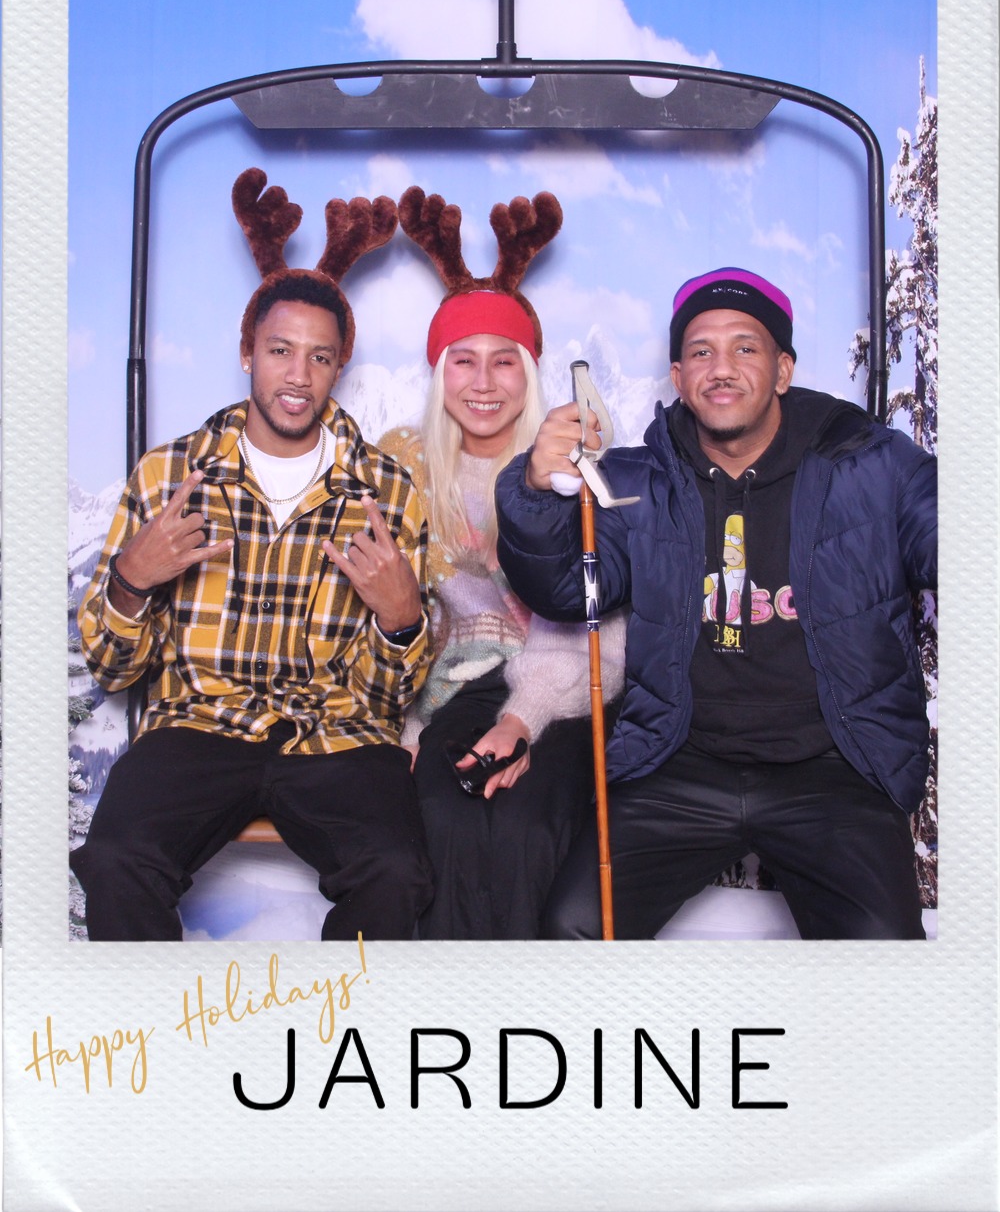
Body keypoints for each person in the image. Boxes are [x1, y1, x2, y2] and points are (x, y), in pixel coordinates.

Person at [495, 267, 936, 941]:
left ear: (783, 370)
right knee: (575, 927)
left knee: (883, 957)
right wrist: (531, 491)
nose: (721, 368)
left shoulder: (874, 466)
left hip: (833, 771)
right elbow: (565, 591)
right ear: (678, 376)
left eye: (745, 347)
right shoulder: (638, 481)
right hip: (680, 762)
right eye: (701, 351)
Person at [71, 168, 434, 941]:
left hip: (337, 732)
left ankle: (344, 1022)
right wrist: (132, 580)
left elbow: (390, 694)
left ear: (340, 368)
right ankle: (150, 1023)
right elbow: (110, 669)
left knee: (397, 874)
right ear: (247, 353)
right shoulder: (169, 475)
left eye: (320, 358)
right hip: (197, 724)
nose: (298, 376)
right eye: (280, 351)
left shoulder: (387, 491)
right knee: (116, 859)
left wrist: (402, 624)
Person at [381, 186, 624, 939]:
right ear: (439, 374)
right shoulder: (407, 470)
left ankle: (522, 998)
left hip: (569, 685)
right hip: (454, 692)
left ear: (530, 372)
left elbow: (603, 623)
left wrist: (524, 719)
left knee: (522, 829)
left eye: (503, 362)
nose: (483, 383)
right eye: (463, 361)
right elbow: (392, 615)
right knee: (441, 818)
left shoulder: (572, 462)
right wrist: (405, 729)